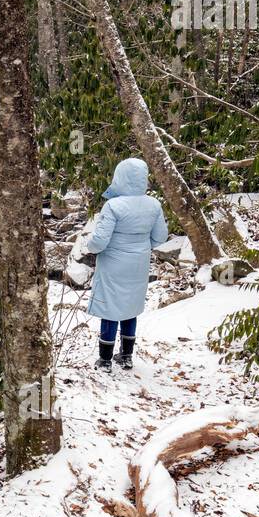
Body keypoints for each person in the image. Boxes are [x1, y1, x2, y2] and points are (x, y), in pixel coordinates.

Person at [83, 157, 169, 372]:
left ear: (119, 177)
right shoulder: (153, 204)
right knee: (130, 307)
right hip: (138, 264)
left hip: (113, 264)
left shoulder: (113, 205)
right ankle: (127, 356)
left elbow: (99, 241)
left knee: (110, 308)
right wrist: (140, 246)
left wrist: (88, 245)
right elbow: (161, 236)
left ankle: (104, 360)